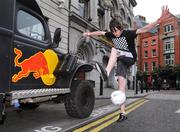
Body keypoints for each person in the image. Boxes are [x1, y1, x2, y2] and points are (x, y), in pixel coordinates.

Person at [83, 6, 170, 122]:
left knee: (114, 49)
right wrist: (89, 34)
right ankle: (123, 112)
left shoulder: (128, 33)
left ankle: (107, 72)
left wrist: (158, 21)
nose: (115, 34)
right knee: (121, 86)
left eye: (117, 31)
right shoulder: (112, 34)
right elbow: (100, 32)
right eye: (113, 32)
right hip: (121, 60)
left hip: (130, 57)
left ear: (120, 28)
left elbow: (144, 29)